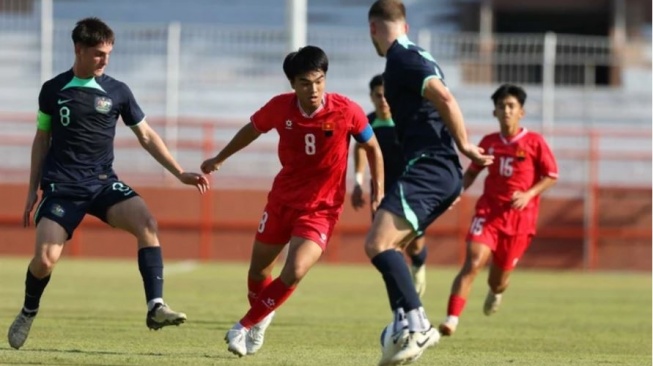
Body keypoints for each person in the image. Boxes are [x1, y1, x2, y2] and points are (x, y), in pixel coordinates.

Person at [7, 17, 209, 350]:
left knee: (147, 222)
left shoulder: (118, 91)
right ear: (78, 49)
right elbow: (41, 139)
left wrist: (179, 172)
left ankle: (155, 306)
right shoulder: (52, 90)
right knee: (44, 260)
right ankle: (29, 309)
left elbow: (146, 135)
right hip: (62, 187)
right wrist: (32, 190)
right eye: (99, 53)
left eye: (109, 53)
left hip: (102, 184)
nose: (106, 60)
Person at [200, 45, 384, 357]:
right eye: (305, 83)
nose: (314, 89)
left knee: (296, 268)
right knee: (259, 271)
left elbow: (373, 148)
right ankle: (261, 317)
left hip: (322, 208)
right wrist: (220, 158)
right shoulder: (280, 107)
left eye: (319, 80)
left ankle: (243, 325)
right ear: (292, 84)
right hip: (282, 201)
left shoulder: (346, 110)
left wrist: (375, 192)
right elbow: (252, 130)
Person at [366, 1, 494, 365]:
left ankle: (418, 324)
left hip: (431, 165)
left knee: (377, 243)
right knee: (391, 246)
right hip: (434, 170)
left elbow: (444, 97)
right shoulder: (412, 53)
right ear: (404, 25)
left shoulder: (403, 59)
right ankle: (402, 321)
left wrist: (465, 145)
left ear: (373, 29)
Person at [438, 84, 558, 337]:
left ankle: (496, 293)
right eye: (501, 106)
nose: (506, 110)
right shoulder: (489, 143)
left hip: (520, 221)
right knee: (473, 262)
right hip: (488, 214)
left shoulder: (535, 142)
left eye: (511, 106)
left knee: (498, 280)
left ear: (521, 112)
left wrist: (528, 194)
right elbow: (471, 173)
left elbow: (551, 175)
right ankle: (451, 319)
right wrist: (454, 192)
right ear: (494, 112)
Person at [351, 74, 428, 298]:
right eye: (378, 95)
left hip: (409, 189)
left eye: (386, 95)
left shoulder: (405, 120)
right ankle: (403, 294)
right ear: (371, 97)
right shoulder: (369, 122)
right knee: (385, 243)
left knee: (414, 246)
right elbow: (360, 148)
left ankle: (419, 263)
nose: (383, 100)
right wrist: (357, 182)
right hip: (381, 192)